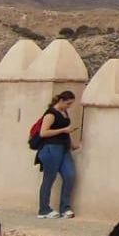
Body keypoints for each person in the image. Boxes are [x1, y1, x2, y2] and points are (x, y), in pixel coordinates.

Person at [36, 90, 81, 220]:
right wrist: (63, 130)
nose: (69, 106)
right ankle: (44, 209)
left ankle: (65, 207)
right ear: (61, 101)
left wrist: (73, 144)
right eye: (68, 103)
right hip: (51, 148)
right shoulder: (51, 114)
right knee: (49, 179)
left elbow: (66, 133)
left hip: (64, 148)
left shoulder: (64, 113)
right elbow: (43, 133)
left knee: (69, 175)